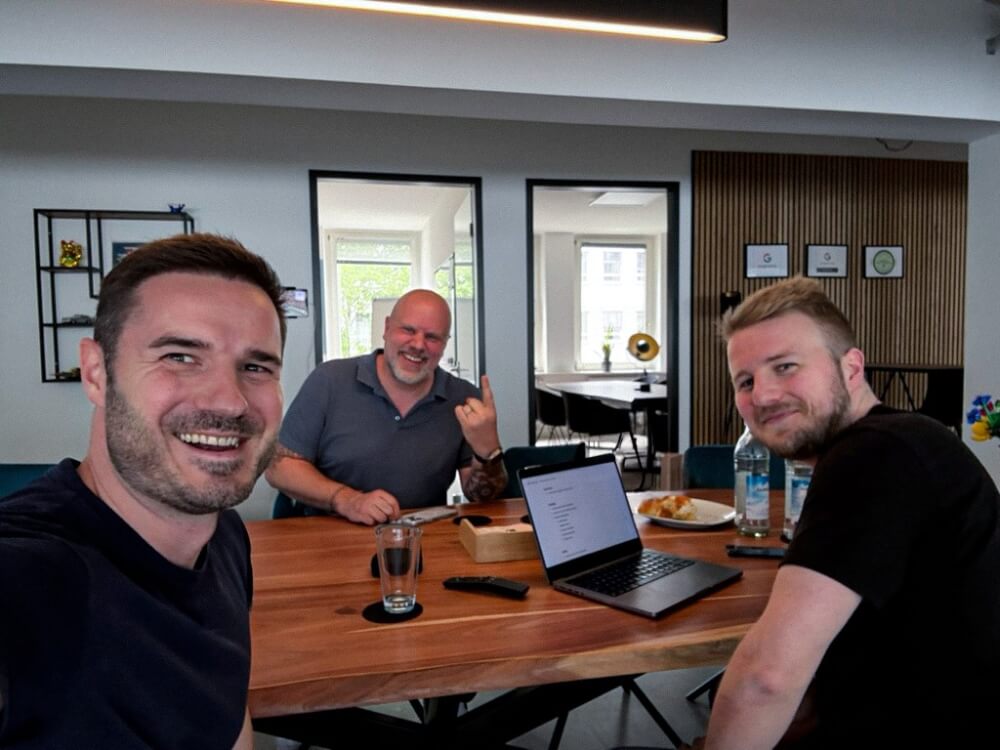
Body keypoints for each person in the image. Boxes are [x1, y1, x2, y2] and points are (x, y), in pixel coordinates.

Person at [0, 234, 287, 749]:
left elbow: (224, 712)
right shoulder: (27, 576)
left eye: (256, 366)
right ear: (96, 373)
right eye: (179, 355)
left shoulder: (224, 540)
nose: (229, 401)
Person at [703, 276, 1000, 749]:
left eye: (785, 366)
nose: (762, 395)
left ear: (852, 367)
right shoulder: (906, 439)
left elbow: (767, 679)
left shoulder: (876, 454)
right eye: (746, 380)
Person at [266, 289, 507, 525]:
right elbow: (279, 468)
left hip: (422, 540)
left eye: (432, 337)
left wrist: (489, 453)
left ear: (445, 344)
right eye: (408, 330)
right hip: (329, 538)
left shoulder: (464, 398)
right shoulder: (330, 380)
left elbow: (481, 497)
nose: (418, 345)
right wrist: (346, 500)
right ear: (386, 328)